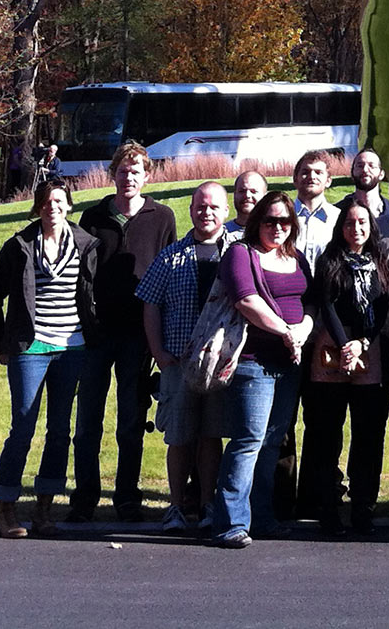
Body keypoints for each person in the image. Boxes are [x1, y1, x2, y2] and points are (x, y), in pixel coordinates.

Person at [0, 177, 96, 539]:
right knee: (23, 426)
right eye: (47, 202)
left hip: (71, 348)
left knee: (60, 430)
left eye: (60, 201)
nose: (54, 208)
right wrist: (0, 343)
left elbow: (92, 295)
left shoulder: (84, 244)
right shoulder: (19, 246)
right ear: (38, 206)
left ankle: (44, 508)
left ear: (69, 205)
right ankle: (5, 506)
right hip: (30, 348)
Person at [72, 141, 176, 523]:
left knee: (131, 422)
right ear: (112, 173)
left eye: (136, 171)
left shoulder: (162, 218)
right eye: (122, 170)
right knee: (87, 423)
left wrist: (160, 338)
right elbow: (80, 278)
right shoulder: (93, 217)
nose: (128, 177)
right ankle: (84, 497)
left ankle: (127, 498)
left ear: (146, 176)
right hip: (96, 335)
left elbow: (167, 277)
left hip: (139, 335)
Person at [206, 191, 313, 546]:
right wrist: (286, 331)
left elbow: (310, 301)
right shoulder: (240, 253)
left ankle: (261, 517)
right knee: (248, 440)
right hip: (253, 363)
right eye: (270, 221)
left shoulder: (295, 258)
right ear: (257, 223)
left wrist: (301, 332)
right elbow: (246, 300)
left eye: (285, 221)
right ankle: (230, 522)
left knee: (271, 443)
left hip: (290, 363)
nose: (278, 227)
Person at [136, 180, 237, 532]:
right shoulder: (171, 256)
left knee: (211, 437)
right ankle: (176, 507)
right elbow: (150, 303)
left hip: (220, 366)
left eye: (213, 207)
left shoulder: (239, 253)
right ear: (191, 210)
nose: (206, 212)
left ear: (226, 211)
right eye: (200, 206)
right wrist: (159, 352)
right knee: (179, 437)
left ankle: (208, 505)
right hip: (178, 363)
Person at [299, 201, 389, 534]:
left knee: (367, 435)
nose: (357, 229)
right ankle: (328, 507)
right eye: (350, 223)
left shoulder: (380, 261)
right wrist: (344, 345)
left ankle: (363, 507)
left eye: (363, 222)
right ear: (341, 227)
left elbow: (383, 306)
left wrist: (362, 342)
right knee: (327, 435)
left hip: (368, 352)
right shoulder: (330, 261)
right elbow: (327, 304)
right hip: (331, 352)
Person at [290, 148, 338, 263]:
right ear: (295, 179)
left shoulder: (339, 218)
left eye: (318, 172)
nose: (312, 176)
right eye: (305, 172)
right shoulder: (283, 216)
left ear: (328, 181)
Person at [339, 148, 387, 222]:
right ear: (352, 173)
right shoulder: (337, 212)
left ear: (381, 174)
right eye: (360, 166)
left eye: (371, 166)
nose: (365, 170)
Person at [229, 168, 267, 233]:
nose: (247, 195)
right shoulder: (219, 235)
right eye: (242, 191)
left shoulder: (274, 234)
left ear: (265, 196)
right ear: (235, 194)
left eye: (253, 191)